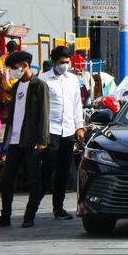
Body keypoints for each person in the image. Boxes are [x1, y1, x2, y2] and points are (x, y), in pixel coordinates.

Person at [0, 51, 50, 229]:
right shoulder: (16, 86)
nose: (13, 72)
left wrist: (42, 139)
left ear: (25, 66)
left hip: (32, 140)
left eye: (15, 68)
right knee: (7, 179)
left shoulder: (39, 85)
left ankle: (29, 216)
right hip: (15, 140)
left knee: (34, 179)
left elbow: (44, 113)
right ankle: (5, 216)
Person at [39, 46, 85, 220]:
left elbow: (76, 105)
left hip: (68, 130)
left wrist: (79, 126)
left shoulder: (73, 80)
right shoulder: (43, 80)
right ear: (54, 62)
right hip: (50, 131)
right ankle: (33, 206)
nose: (64, 65)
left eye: (67, 62)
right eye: (61, 62)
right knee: (47, 169)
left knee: (63, 171)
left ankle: (58, 208)